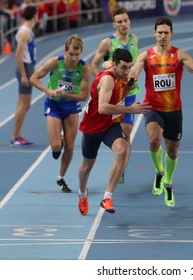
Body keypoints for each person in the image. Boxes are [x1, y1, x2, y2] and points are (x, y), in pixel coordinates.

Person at [129, 17, 193, 208]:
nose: (162, 36)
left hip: (174, 110)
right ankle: (159, 172)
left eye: (166, 33)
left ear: (171, 34)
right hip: (153, 107)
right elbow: (135, 70)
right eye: (159, 32)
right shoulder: (146, 55)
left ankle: (168, 182)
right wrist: (132, 78)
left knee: (172, 150)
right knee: (153, 141)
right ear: (154, 33)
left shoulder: (179, 55)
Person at [77, 48, 151, 216]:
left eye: (129, 67)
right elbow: (103, 108)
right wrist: (130, 109)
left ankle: (107, 197)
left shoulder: (121, 74)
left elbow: (126, 72)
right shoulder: (108, 80)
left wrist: (130, 80)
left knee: (123, 150)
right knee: (86, 167)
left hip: (111, 125)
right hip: (93, 127)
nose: (127, 71)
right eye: (124, 68)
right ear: (115, 65)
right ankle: (82, 193)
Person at [30, 34, 91, 193]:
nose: (73, 58)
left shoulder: (84, 68)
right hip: (54, 105)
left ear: (81, 53)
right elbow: (33, 78)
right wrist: (48, 91)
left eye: (77, 55)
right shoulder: (54, 63)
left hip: (71, 107)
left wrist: (65, 95)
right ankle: (59, 141)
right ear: (65, 51)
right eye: (71, 54)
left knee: (70, 147)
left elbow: (84, 96)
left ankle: (60, 177)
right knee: (56, 146)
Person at [91, 6, 139, 184]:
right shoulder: (107, 43)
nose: (123, 24)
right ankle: (119, 159)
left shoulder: (134, 39)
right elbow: (94, 64)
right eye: (119, 21)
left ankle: (122, 166)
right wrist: (103, 81)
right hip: (114, 95)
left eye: (126, 20)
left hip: (130, 92)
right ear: (114, 24)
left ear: (129, 21)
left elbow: (134, 66)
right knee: (106, 130)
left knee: (127, 131)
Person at [10, 5, 38, 147]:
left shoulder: (27, 31)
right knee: (24, 105)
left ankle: (17, 135)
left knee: (23, 105)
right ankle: (15, 136)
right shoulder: (24, 32)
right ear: (35, 15)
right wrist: (23, 75)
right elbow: (18, 54)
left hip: (28, 69)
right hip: (25, 70)